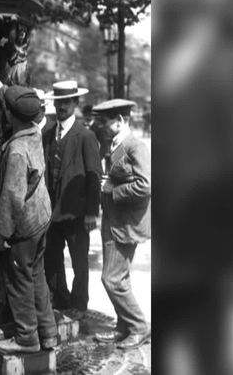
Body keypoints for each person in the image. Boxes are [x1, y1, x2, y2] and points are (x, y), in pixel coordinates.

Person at [0, 82, 58, 354]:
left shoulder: (16, 150)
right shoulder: (34, 132)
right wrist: (3, 87)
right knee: (36, 275)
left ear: (9, 115)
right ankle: (48, 333)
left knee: (18, 280)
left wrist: (2, 234)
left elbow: (12, 196)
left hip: (24, 225)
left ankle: (27, 338)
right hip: (41, 217)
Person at [91, 99, 151, 349]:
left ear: (120, 121)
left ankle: (139, 327)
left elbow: (145, 185)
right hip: (113, 221)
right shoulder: (115, 144)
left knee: (112, 279)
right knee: (120, 278)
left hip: (126, 224)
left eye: (104, 122)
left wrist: (112, 189)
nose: (100, 126)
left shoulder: (135, 146)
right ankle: (123, 326)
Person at [42, 81, 103, 313]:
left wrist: (91, 212)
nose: (61, 107)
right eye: (58, 102)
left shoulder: (85, 136)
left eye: (66, 102)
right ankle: (61, 300)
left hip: (77, 212)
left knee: (79, 262)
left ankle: (79, 306)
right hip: (52, 212)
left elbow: (94, 176)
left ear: (76, 103)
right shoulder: (48, 135)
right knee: (53, 259)